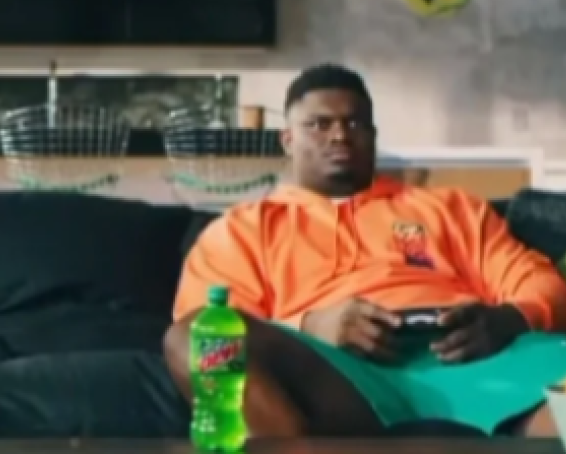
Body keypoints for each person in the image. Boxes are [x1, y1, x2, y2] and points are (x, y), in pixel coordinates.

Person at [164, 63, 566, 439]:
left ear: (373, 136)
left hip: (470, 360)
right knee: (199, 337)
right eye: (319, 124)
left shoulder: (450, 208)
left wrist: (506, 319)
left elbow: (541, 284)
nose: (340, 135)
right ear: (288, 140)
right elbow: (207, 326)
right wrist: (309, 325)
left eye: (354, 123)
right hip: (335, 377)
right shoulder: (241, 230)